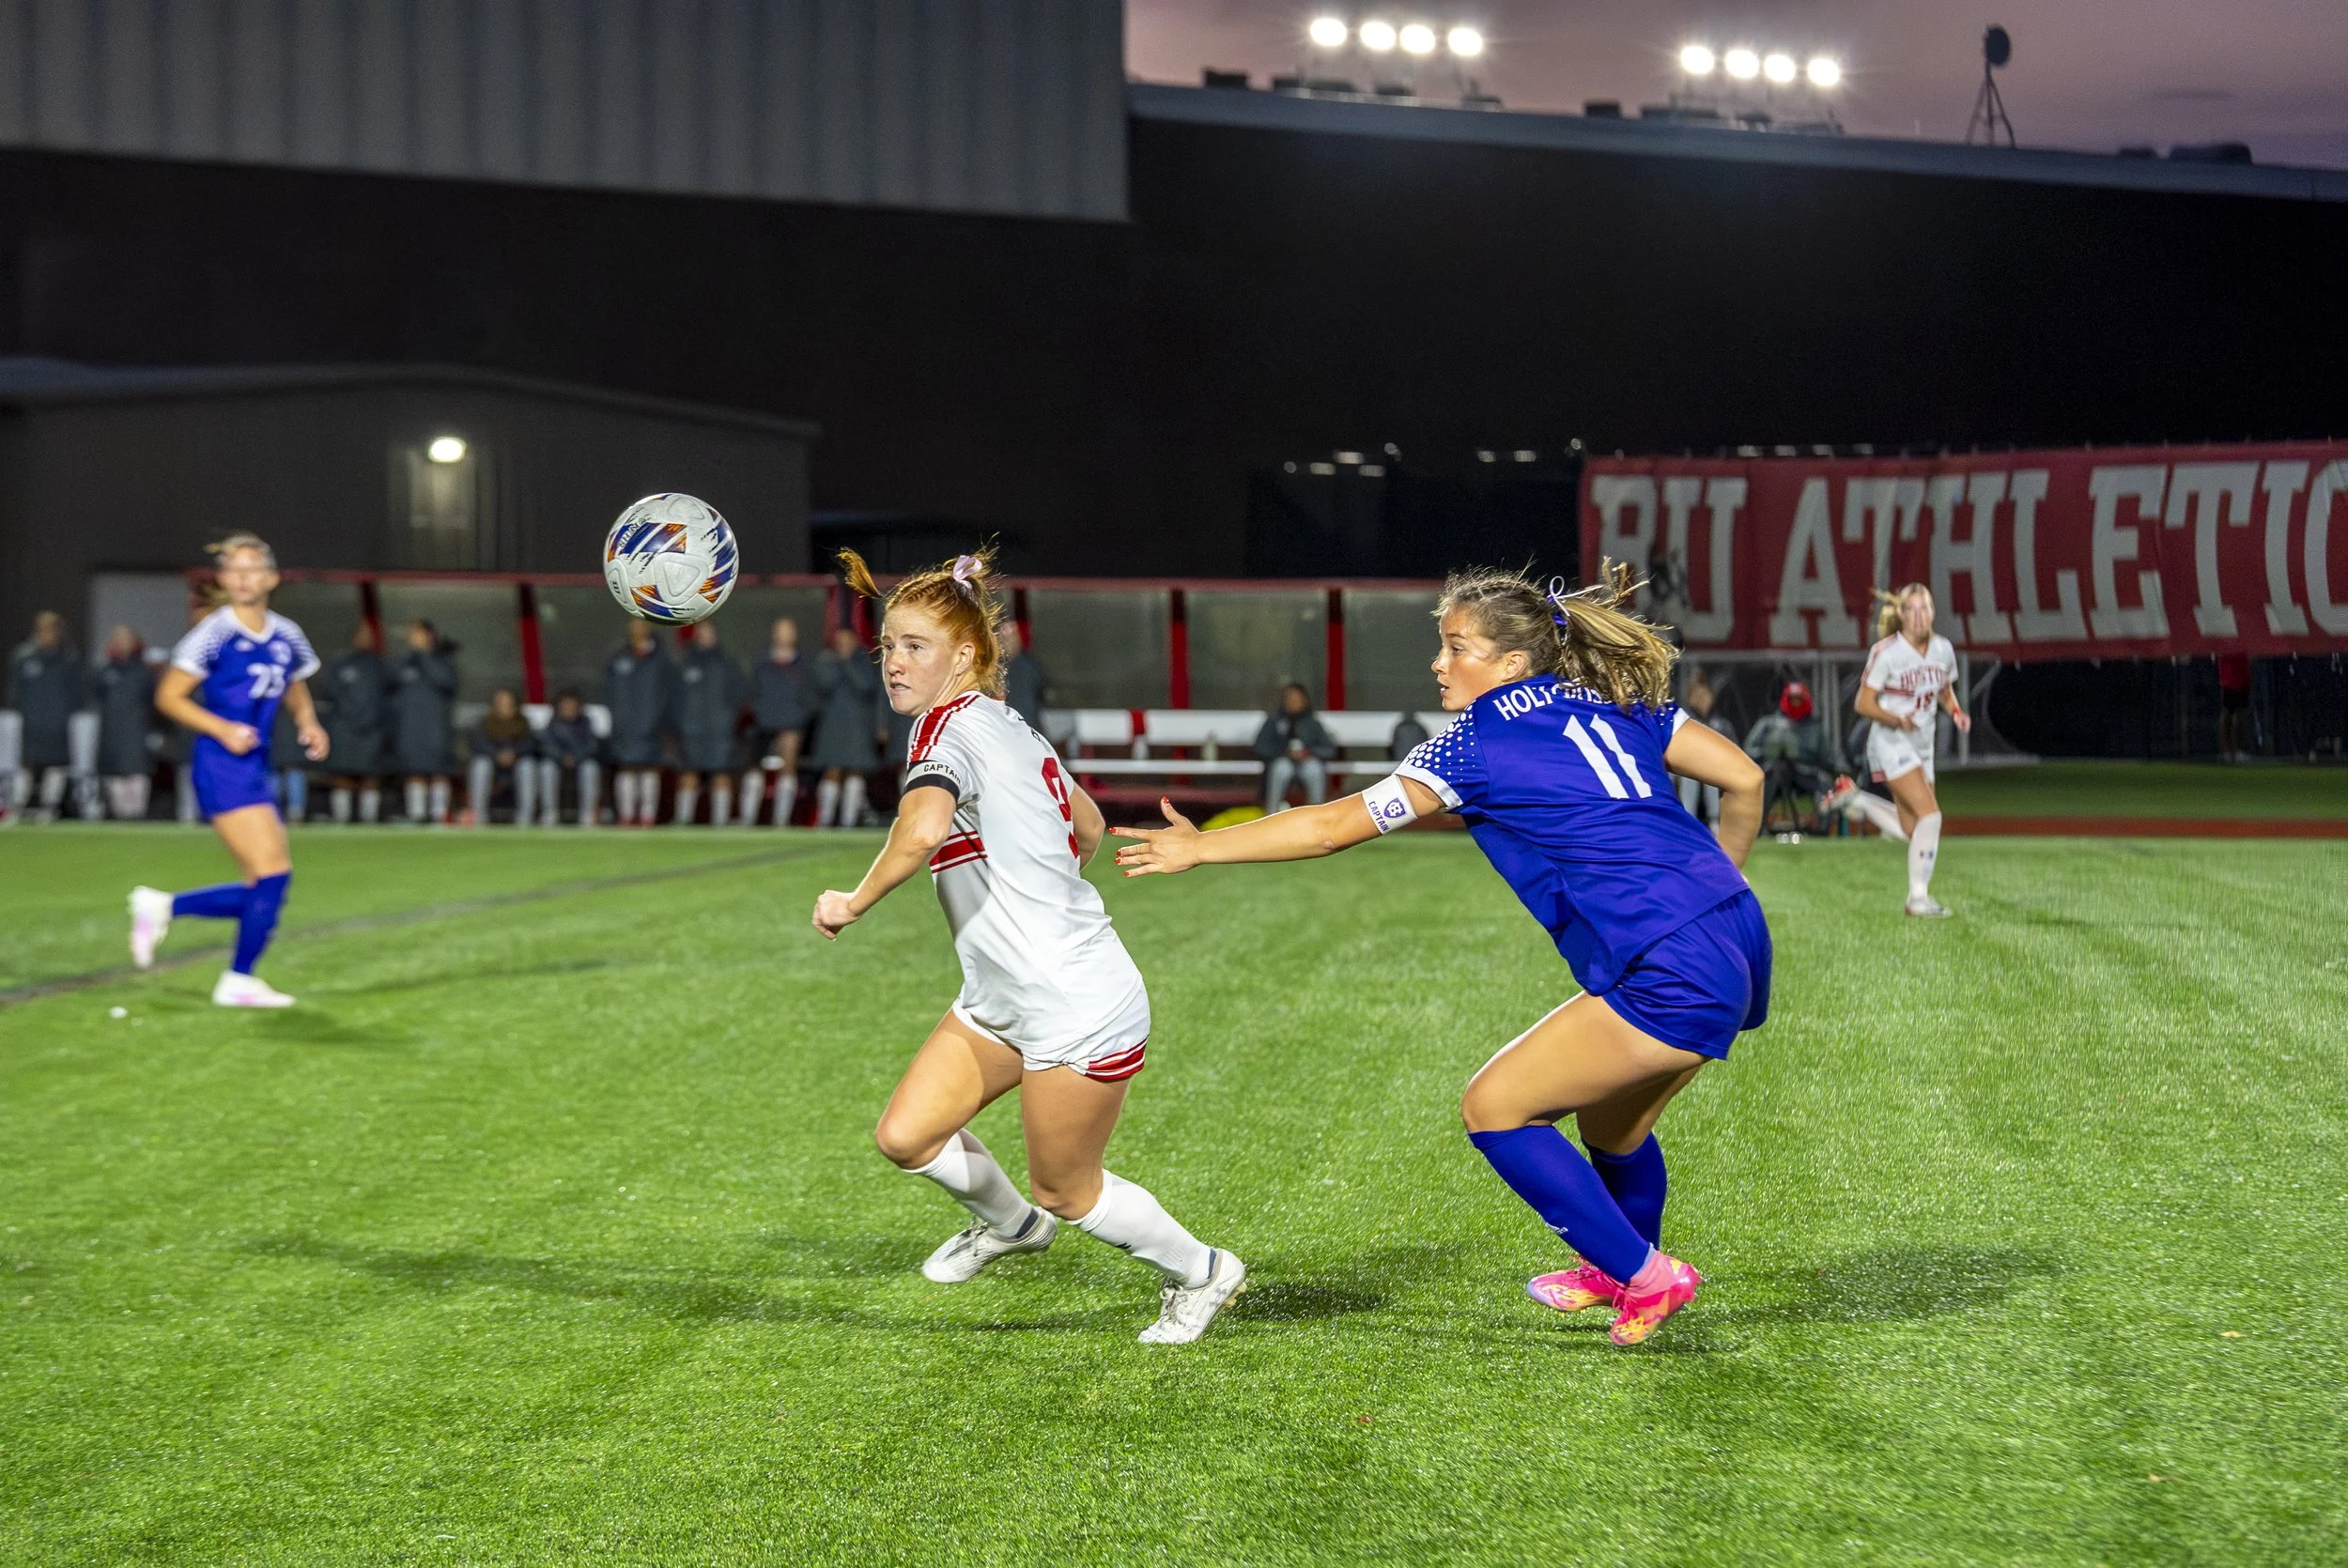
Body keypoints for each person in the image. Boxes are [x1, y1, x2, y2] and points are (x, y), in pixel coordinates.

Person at [1115, 563, 1768, 1347]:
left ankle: (1647, 1277)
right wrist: (1718, 886)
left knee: (1494, 1108)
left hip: (1671, 959)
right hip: (1735, 932)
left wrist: (1201, 849)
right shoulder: (1613, 699)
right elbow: (1744, 778)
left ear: (1511, 663)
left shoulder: (1475, 742)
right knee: (1613, 1126)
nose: (1439, 662)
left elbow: (1330, 828)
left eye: (1457, 647)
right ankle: (1619, 1267)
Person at [812, 547, 1245, 1345]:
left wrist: (853, 901)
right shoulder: (1006, 723)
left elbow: (924, 827)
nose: (894, 662)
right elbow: (1086, 824)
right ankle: (1011, 1227)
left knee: (1068, 1189)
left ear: (963, 657)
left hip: (1073, 1003)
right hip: (1002, 995)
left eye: (915, 646)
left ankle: (1204, 1270)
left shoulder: (947, 732)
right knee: (907, 1137)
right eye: (888, 645)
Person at [128, 533, 327, 1007]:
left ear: (271, 578)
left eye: (252, 568)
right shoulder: (214, 632)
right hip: (221, 764)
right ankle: (237, 979)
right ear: (223, 579)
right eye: (234, 570)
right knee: (273, 877)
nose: (242, 578)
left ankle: (165, 908)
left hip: (255, 763)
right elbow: (169, 696)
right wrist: (222, 728)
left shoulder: (286, 633)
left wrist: (308, 721)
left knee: (268, 883)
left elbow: (294, 684)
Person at [1823, 584, 1970, 917]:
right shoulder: (1887, 652)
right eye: (1912, 609)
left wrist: (1956, 712)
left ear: (1933, 612)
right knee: (1931, 816)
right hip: (1890, 741)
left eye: (1925, 608)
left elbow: (1944, 688)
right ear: (1901, 615)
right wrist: (1896, 719)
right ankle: (1918, 899)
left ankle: (1857, 799)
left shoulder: (1943, 649)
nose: (1919, 617)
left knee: (1912, 829)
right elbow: (1863, 703)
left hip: (1922, 745)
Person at [8, 610, 83, 820]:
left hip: (57, 724)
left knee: (57, 765)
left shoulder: (68, 658)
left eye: (52, 630)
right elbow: (15, 692)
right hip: (32, 723)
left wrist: (62, 714)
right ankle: (17, 806)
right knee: (26, 764)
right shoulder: (23, 657)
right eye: (45, 630)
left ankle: (49, 807)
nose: (48, 635)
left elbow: (76, 692)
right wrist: (27, 713)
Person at [811, 622, 886, 828]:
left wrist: (847, 663)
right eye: (840, 642)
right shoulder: (826, 661)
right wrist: (839, 663)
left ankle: (848, 821)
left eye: (847, 641)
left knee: (855, 771)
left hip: (858, 726)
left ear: (855, 642)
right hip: (833, 725)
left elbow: (866, 686)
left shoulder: (865, 662)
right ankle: (825, 820)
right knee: (832, 771)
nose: (843, 645)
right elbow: (824, 684)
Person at [603, 620, 676, 826]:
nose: (636, 630)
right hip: (624, 725)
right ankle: (626, 815)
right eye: (633, 626)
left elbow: (670, 694)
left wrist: (663, 721)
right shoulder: (618, 658)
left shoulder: (661, 660)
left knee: (649, 769)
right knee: (626, 768)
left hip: (654, 725)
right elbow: (607, 692)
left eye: (641, 625)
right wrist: (616, 718)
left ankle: (647, 815)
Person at [674, 621, 746, 825]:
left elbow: (740, 695)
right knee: (689, 775)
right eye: (702, 632)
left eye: (709, 632)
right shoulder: (685, 664)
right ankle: (683, 821)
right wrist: (681, 724)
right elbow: (674, 699)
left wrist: (728, 719)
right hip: (691, 731)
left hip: (720, 730)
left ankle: (720, 823)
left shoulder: (727, 664)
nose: (706, 636)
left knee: (721, 775)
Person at [743, 617, 811, 825]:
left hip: (791, 724)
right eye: (780, 630)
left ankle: (781, 820)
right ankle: (748, 819)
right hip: (763, 724)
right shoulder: (762, 664)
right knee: (753, 770)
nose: (784, 635)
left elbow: (809, 697)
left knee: (788, 770)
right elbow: (753, 693)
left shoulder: (803, 666)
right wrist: (760, 714)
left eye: (788, 630)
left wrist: (797, 717)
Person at [317, 623, 389, 823]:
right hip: (343, 728)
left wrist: (373, 718)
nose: (365, 639)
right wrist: (349, 713)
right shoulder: (339, 663)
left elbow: (388, 696)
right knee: (342, 775)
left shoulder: (380, 666)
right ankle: (341, 818)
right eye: (361, 634)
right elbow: (329, 690)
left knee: (371, 776)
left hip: (372, 729)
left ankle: (369, 819)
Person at [1740, 681, 1835, 831]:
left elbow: (1828, 757)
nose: (1795, 703)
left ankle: (1822, 828)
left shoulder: (1814, 727)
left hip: (1805, 773)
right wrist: (1768, 752)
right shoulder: (1768, 723)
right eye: (1792, 700)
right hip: (1773, 772)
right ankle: (1758, 827)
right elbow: (1748, 750)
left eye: (1799, 699)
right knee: (1762, 781)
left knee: (1825, 782)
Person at [391, 620, 457, 823]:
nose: (412, 638)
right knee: (414, 770)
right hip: (409, 726)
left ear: (429, 636)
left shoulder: (443, 660)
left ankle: (438, 815)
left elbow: (447, 682)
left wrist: (425, 656)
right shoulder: (404, 661)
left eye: (417, 633)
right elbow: (391, 684)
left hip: (436, 727)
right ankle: (416, 815)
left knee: (439, 771)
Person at [92, 626, 159, 822]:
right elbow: (96, 698)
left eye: (125, 639)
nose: (120, 643)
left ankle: (137, 813)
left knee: (136, 772)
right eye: (117, 639)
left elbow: (153, 701)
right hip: (111, 732)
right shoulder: (105, 670)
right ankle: (119, 814)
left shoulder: (144, 671)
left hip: (136, 731)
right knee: (114, 773)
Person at [1253, 682, 1337, 811]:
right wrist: (1283, 751)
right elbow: (1260, 747)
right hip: (1282, 761)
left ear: (1305, 701)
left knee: (1314, 769)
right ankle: (1271, 813)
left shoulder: (1312, 723)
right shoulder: (1274, 721)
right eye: (1289, 698)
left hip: (1307, 762)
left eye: (1296, 699)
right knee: (1281, 768)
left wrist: (1309, 752)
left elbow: (1329, 749)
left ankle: (1315, 813)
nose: (1293, 702)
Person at [1675, 670, 1740, 828]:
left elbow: (1735, 753)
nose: (1701, 700)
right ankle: (1688, 820)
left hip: (1716, 770)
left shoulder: (1721, 724)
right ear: (1690, 697)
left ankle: (1714, 821)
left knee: (1710, 771)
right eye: (1696, 695)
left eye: (1704, 695)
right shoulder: (1681, 721)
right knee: (1690, 774)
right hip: (1685, 770)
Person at [466, 687, 538, 826]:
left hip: (517, 764)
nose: (504, 707)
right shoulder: (483, 723)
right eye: (500, 703)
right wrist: (496, 755)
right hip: (492, 765)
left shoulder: (524, 723)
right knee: (481, 764)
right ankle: (479, 816)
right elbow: (478, 744)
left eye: (508, 703)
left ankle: (525, 818)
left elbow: (530, 745)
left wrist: (514, 754)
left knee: (528, 765)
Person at [533, 689, 602, 826]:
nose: (568, 708)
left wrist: (575, 757)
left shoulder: (586, 723)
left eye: (572, 705)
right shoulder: (552, 724)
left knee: (590, 768)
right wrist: (562, 757)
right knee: (547, 768)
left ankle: (587, 814)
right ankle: (549, 813)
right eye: (565, 705)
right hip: (557, 761)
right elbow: (547, 746)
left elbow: (592, 746)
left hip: (581, 761)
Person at [999, 620, 1048, 731]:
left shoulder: (1026, 668)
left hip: (1023, 729)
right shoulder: (997, 667)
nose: (1006, 642)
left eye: (1010, 637)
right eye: (1003, 637)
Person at [269, 700, 312, 822]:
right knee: (290, 771)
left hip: (279, 737)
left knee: (282, 772)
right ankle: (294, 811)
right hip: (291, 738)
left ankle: (276, 810)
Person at [2217, 652, 2253, 761]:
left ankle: (2235, 750)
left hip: (2242, 678)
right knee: (2229, 715)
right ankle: (2230, 750)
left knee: (2239, 715)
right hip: (2230, 680)